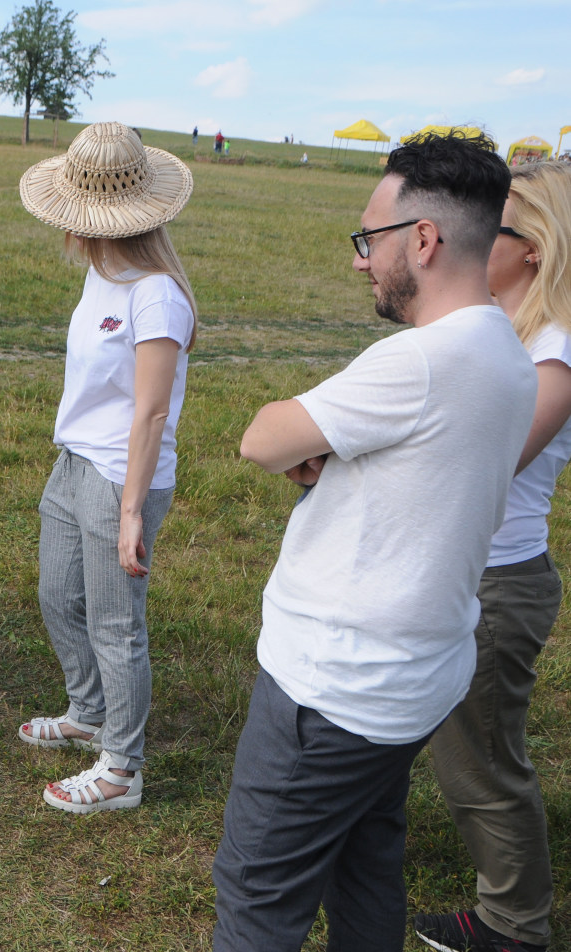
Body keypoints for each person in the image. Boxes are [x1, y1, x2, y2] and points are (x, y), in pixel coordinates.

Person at [212, 132, 538, 951]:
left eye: (371, 238)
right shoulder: (509, 349)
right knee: (365, 866)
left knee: (258, 893)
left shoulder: (420, 362)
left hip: (335, 683)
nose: (362, 260)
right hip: (415, 680)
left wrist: (309, 443)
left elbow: (261, 438)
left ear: (423, 240)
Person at [413, 161, 571, 952]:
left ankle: (515, 926)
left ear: (534, 248)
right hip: (458, 565)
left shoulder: (554, 352)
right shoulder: (500, 326)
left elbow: (488, 455)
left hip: (499, 581)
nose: (477, 238)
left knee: (480, 764)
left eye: (498, 227)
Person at [15, 122, 196, 813]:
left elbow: (151, 413)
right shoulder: (102, 273)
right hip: (76, 463)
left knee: (116, 624)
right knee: (59, 596)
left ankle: (122, 769)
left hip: (125, 476)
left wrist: (130, 513)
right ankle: (88, 712)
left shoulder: (156, 295)